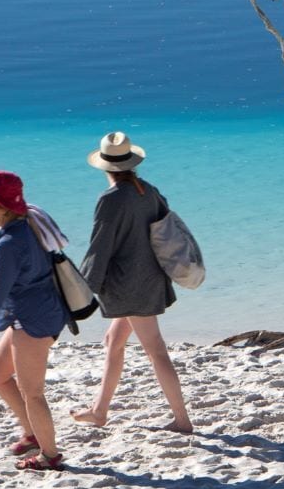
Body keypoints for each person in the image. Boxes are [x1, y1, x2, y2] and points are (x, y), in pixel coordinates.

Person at [71, 131, 195, 435]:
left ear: (105, 167)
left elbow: (100, 246)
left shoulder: (111, 199)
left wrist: (83, 288)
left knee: (155, 349)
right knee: (114, 341)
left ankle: (182, 420)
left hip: (130, 285)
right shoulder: (148, 191)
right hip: (151, 277)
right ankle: (99, 411)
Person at [0, 169, 67, 471]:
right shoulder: (29, 222)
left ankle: (50, 455)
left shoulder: (9, 244)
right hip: (39, 311)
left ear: (2, 206)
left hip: (34, 319)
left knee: (33, 392)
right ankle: (32, 433)